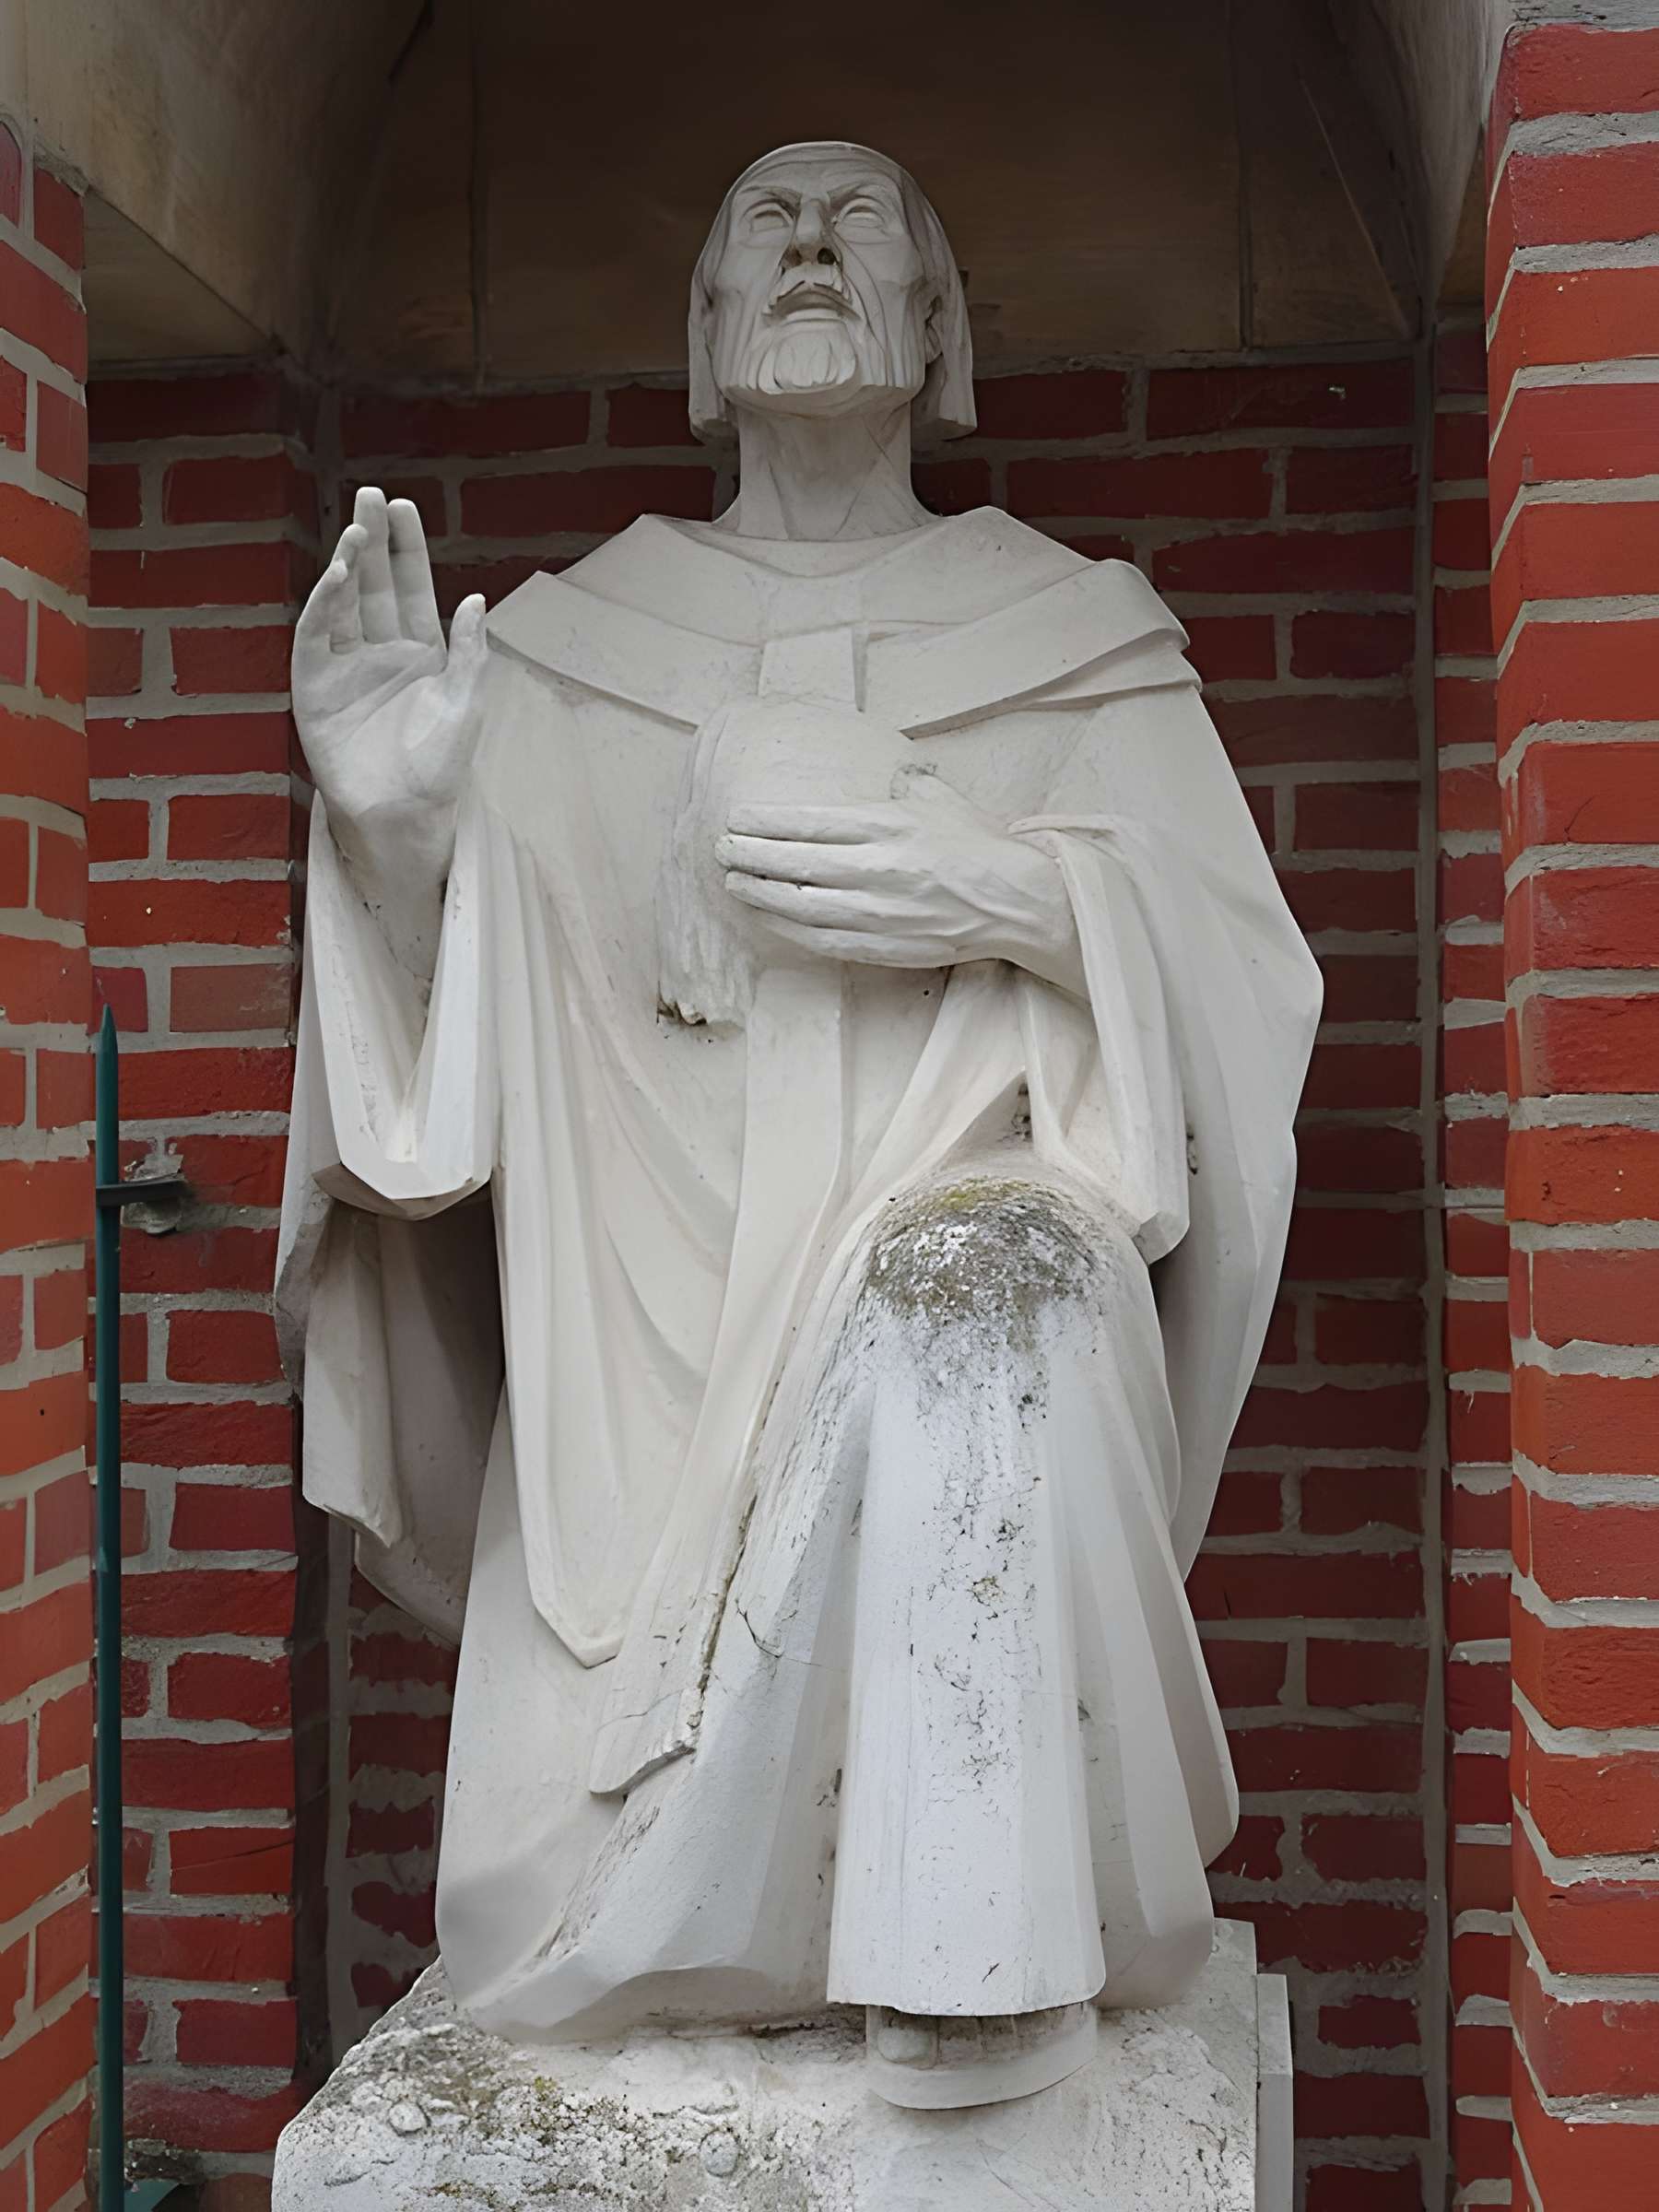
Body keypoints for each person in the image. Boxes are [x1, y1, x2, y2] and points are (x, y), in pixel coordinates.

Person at [278, 140, 1321, 2107]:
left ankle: (965, 1947)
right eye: (772, 218)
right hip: (640, 1391)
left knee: (976, 1297)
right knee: (533, 1908)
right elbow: (446, 1106)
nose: (821, 243)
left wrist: (1010, 894)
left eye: (868, 222)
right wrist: (401, 839)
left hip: (985, 1257)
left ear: (943, 333)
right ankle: (657, 1839)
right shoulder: (569, 659)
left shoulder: (1077, 634)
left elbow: (1239, 993)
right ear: (698, 343)